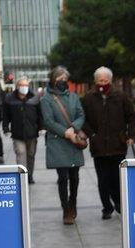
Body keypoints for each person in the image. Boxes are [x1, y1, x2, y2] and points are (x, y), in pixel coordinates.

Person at [81, 66, 135, 220]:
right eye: (100, 80)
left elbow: (132, 117)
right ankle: (107, 206)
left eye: (105, 80)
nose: (102, 83)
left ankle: (119, 202)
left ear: (110, 81)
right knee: (103, 179)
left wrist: (131, 135)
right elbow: (82, 118)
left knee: (116, 177)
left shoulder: (121, 96)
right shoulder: (88, 98)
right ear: (95, 81)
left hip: (118, 145)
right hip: (98, 146)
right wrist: (91, 134)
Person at [40, 66, 85, 225]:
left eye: (65, 79)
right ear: (53, 80)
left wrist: (74, 128)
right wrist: (65, 132)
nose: (62, 82)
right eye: (59, 79)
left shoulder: (73, 97)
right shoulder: (46, 99)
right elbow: (48, 121)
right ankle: (66, 209)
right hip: (58, 142)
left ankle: (73, 202)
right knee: (63, 177)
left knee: (75, 176)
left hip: (73, 142)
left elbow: (81, 114)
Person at [3, 77, 42, 185]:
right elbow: (5, 115)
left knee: (31, 155)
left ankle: (29, 176)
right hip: (17, 133)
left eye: (26, 85)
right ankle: (22, 177)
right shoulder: (9, 98)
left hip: (32, 133)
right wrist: (6, 128)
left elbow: (40, 114)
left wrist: (42, 128)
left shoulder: (34, 97)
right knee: (20, 154)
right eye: (22, 85)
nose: (24, 87)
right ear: (17, 86)